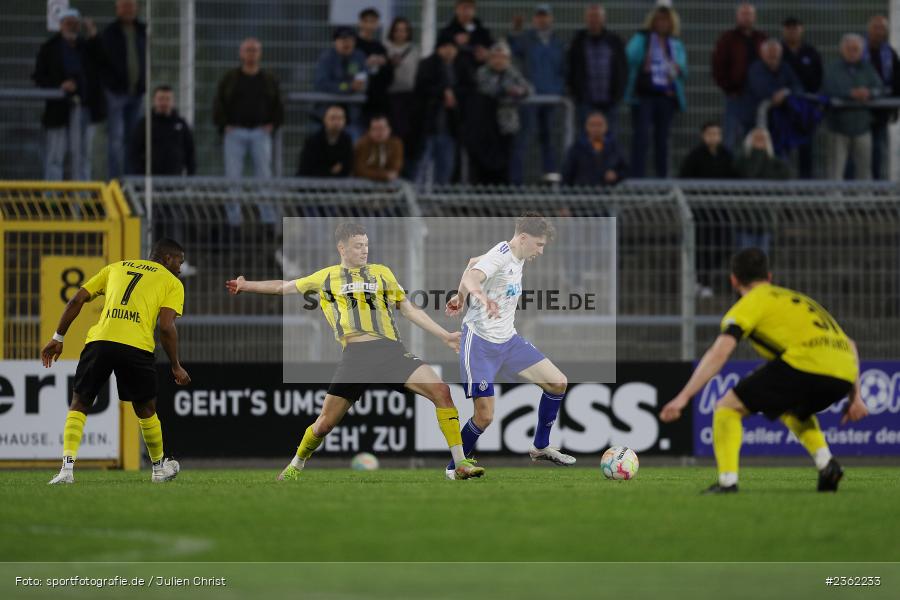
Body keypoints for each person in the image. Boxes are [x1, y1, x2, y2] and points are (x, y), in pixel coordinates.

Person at [225, 223, 484, 481]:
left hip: (391, 351)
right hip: (356, 357)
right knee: (324, 424)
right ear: (342, 248)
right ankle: (296, 464)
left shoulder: (382, 273)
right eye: (358, 246)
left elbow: (407, 308)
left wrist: (444, 335)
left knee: (442, 391)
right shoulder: (326, 277)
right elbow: (283, 287)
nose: (364, 250)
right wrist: (246, 285)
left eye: (366, 245)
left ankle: (459, 463)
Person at [660, 248, 868, 493]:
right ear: (769, 277)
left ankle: (727, 482)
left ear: (734, 280)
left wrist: (684, 397)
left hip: (805, 364)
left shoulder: (749, 303)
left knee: (727, 408)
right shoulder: (797, 299)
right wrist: (856, 397)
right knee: (792, 409)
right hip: (845, 373)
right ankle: (827, 465)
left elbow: (719, 352)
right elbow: (851, 344)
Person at [42, 238, 190, 485]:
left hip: (100, 341)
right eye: (179, 262)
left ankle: (66, 470)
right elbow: (166, 327)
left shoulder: (116, 267)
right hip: (136, 345)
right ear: (167, 258)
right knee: (146, 409)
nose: (180, 268)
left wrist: (58, 337)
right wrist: (175, 365)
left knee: (80, 402)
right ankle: (158, 470)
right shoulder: (171, 282)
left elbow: (76, 300)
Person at [444, 213, 574, 479]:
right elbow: (473, 276)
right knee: (484, 417)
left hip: (509, 341)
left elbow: (472, 263)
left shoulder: (516, 254)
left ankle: (540, 447)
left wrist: (459, 297)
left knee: (557, 382)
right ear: (523, 238)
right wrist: (479, 297)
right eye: (539, 244)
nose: (540, 251)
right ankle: (454, 468)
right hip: (480, 344)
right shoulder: (501, 255)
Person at [32, 8, 105, 181]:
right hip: (58, 109)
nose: (71, 26)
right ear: (60, 25)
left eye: (75, 23)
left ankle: (82, 194)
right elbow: (39, 77)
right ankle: (53, 195)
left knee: (83, 155)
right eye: (68, 23)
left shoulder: (87, 47)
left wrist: (94, 35)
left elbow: (104, 63)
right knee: (55, 155)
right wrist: (59, 86)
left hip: (84, 108)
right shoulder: (49, 48)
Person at [624, 5, 687, 178]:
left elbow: (683, 69)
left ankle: (662, 177)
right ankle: (637, 177)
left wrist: (677, 68)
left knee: (663, 140)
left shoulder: (675, 44)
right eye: (658, 19)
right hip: (644, 95)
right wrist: (646, 49)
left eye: (666, 20)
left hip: (666, 96)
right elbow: (630, 57)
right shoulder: (642, 39)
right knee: (641, 137)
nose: (662, 23)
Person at [507, 3, 565, 184]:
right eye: (539, 16)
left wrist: (559, 89)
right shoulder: (526, 39)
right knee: (523, 139)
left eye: (545, 16)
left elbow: (564, 69)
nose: (542, 19)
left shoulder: (558, 42)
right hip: (530, 99)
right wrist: (515, 30)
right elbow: (512, 49)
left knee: (550, 141)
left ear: (551, 18)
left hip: (551, 99)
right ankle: (516, 184)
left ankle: (550, 182)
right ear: (534, 20)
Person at [213, 37, 283, 179]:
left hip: (261, 132)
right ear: (241, 53)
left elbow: (278, 104)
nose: (251, 54)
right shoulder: (230, 78)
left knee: (264, 173)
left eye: (255, 50)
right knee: (233, 175)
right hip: (234, 132)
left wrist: (273, 125)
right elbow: (219, 102)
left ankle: (264, 196)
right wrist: (224, 125)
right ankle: (233, 196)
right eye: (248, 50)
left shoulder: (269, 79)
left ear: (260, 53)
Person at [95, 0, 147, 178]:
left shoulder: (142, 31)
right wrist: (110, 83)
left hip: (136, 93)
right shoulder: (110, 33)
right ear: (117, 9)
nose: (128, 10)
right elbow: (102, 62)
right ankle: (115, 182)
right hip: (116, 93)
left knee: (133, 140)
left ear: (136, 8)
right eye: (124, 6)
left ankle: (130, 181)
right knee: (115, 140)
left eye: (131, 6)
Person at [822, 34, 884, 181]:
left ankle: (864, 196)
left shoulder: (867, 68)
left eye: (856, 49)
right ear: (842, 50)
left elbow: (879, 88)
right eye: (849, 49)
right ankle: (834, 197)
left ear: (861, 51)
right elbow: (828, 89)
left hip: (862, 127)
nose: (852, 52)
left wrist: (869, 93)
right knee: (835, 172)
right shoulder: (832, 68)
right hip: (838, 128)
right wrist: (850, 94)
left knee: (864, 172)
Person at [475, 42, 533, 184]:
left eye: (503, 57)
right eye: (496, 57)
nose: (499, 61)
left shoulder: (512, 72)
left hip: (507, 125)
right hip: (486, 125)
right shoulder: (482, 72)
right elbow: (489, 90)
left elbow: (528, 89)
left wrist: (520, 91)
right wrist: (508, 91)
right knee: (486, 162)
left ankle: (505, 189)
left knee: (507, 160)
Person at [712, 3, 767, 151]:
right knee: (730, 136)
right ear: (737, 17)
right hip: (736, 94)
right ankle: (729, 165)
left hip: (758, 96)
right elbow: (718, 65)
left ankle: (753, 164)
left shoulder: (761, 38)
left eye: (749, 14)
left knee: (756, 135)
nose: (746, 17)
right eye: (743, 14)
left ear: (754, 17)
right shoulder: (727, 38)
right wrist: (728, 88)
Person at [566, 5, 627, 140]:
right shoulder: (578, 42)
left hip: (610, 100)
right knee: (586, 139)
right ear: (586, 19)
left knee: (610, 139)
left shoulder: (615, 41)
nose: (594, 20)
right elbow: (570, 68)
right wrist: (576, 92)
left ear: (603, 19)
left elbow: (623, 69)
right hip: (586, 101)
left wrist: (618, 93)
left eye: (597, 16)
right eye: (591, 17)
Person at [414, 33, 466, 185]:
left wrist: (454, 94)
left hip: (450, 129)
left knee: (445, 169)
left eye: (452, 47)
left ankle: (440, 197)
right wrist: (443, 92)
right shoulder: (427, 65)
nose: (449, 51)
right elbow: (422, 88)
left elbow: (469, 88)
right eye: (445, 47)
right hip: (428, 127)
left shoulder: (461, 66)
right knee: (422, 167)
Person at [780, 17, 823, 178]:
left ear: (801, 30)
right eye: (789, 28)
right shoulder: (778, 51)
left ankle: (806, 185)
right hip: (783, 109)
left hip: (805, 109)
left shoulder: (810, 52)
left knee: (806, 148)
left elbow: (819, 77)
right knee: (783, 148)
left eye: (795, 28)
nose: (792, 31)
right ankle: (782, 185)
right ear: (783, 30)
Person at [315, 27, 368, 139]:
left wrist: (362, 85)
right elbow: (322, 83)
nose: (346, 43)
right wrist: (347, 87)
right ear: (335, 42)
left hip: (353, 115)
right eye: (343, 40)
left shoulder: (359, 57)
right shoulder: (327, 58)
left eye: (350, 40)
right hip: (326, 114)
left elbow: (365, 78)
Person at [745, 41, 802, 146]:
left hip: (782, 116)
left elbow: (797, 86)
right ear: (763, 54)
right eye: (770, 54)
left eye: (775, 54)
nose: (773, 57)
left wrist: (785, 92)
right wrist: (775, 95)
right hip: (757, 116)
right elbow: (759, 89)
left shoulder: (785, 67)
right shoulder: (755, 68)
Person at [130, 85, 196, 175]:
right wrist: (140, 174)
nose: (164, 103)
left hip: (176, 177)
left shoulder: (181, 124)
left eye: (168, 99)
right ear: (154, 101)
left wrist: (191, 174)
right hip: (150, 178)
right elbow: (135, 151)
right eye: (160, 99)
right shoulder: (145, 124)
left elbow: (190, 151)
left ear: (173, 101)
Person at [865, 15, 900, 180]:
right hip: (858, 111)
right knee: (857, 152)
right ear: (869, 30)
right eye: (875, 28)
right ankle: (853, 189)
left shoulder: (890, 54)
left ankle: (877, 186)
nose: (879, 32)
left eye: (882, 28)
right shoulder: (858, 49)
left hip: (881, 111)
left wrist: (893, 103)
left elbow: (897, 80)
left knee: (878, 150)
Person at [384, 17, 420, 176]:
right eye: (397, 30)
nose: (401, 33)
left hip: (409, 98)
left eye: (404, 30)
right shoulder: (385, 48)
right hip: (391, 97)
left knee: (408, 136)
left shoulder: (414, 50)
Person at [561, 111, 626, 186]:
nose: (596, 128)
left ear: (606, 126)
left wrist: (616, 175)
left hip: (608, 190)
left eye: (599, 125)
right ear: (586, 127)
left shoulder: (615, 147)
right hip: (583, 190)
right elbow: (567, 173)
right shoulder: (577, 148)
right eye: (592, 125)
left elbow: (625, 170)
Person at [355, 8, 394, 121]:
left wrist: (384, 63)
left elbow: (389, 74)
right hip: (358, 97)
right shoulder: (353, 45)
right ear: (360, 23)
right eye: (366, 21)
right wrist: (366, 63)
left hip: (378, 98)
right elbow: (350, 68)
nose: (369, 25)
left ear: (377, 24)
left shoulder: (380, 47)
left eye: (372, 22)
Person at [297, 104, 354, 178]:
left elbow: (347, 166)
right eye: (333, 118)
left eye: (340, 118)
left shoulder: (347, 140)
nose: (336, 122)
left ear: (345, 121)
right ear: (324, 119)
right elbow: (307, 168)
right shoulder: (313, 141)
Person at [438, 0, 493, 75]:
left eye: (469, 8)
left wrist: (486, 54)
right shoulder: (447, 32)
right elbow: (438, 51)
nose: (466, 11)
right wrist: (453, 43)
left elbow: (492, 48)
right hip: (454, 72)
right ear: (456, 10)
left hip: (479, 72)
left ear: (474, 10)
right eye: (463, 8)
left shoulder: (482, 32)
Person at [353, 114, 403, 182]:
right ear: (369, 131)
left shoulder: (396, 144)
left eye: (382, 129)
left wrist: (375, 173)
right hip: (363, 184)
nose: (379, 132)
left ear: (389, 129)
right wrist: (384, 175)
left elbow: (395, 169)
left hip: (389, 185)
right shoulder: (362, 144)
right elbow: (360, 170)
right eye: (375, 129)